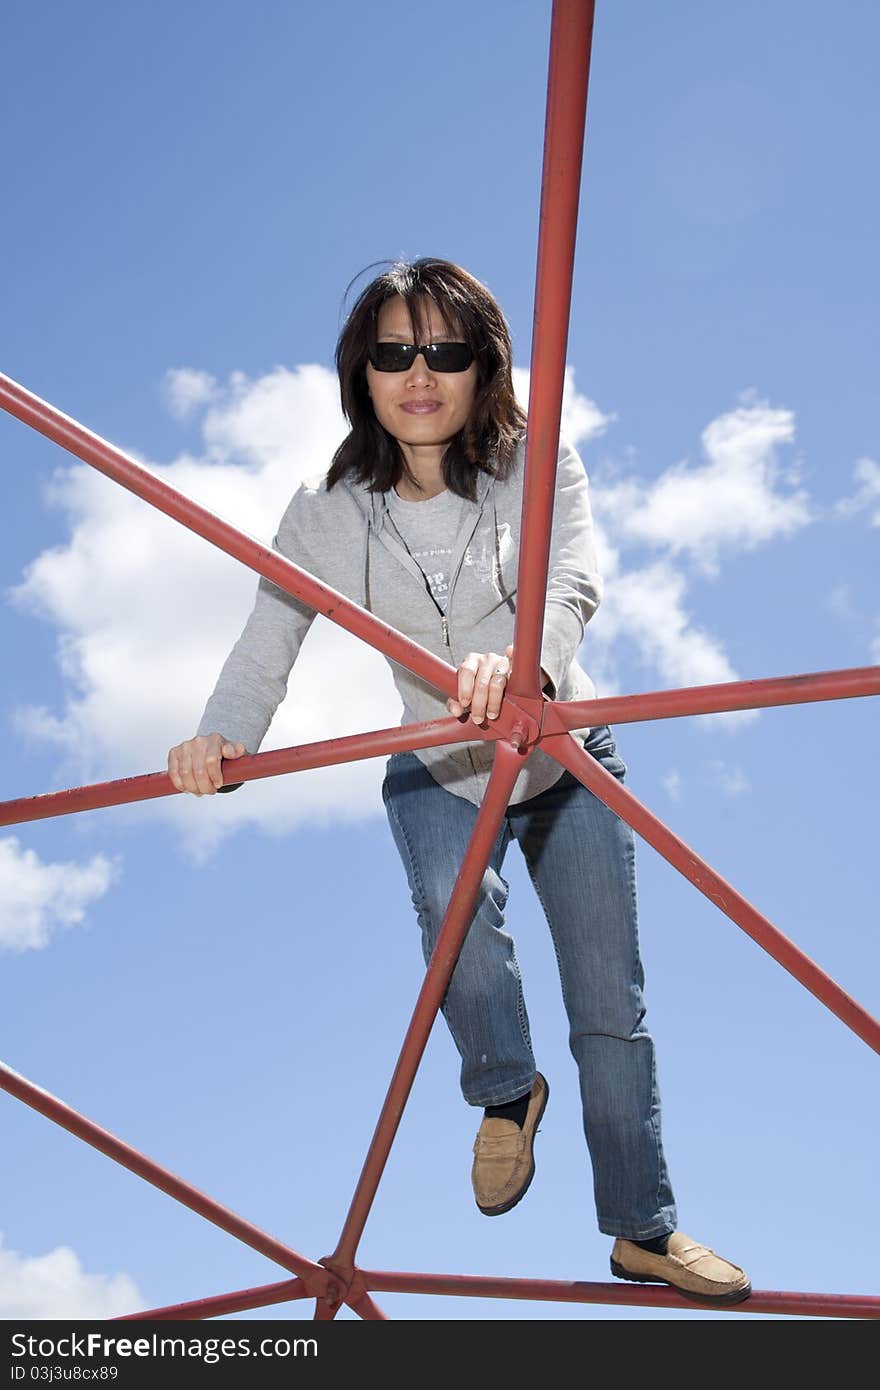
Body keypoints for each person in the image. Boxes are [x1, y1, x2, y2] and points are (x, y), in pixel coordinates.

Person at [167, 257, 750, 1305]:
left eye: (446, 349)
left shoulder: (535, 463)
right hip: (438, 759)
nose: (420, 373)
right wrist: (218, 738)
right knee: (449, 915)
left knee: (608, 1007)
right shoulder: (329, 509)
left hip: (562, 756)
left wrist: (523, 664)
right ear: (362, 372)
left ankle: (641, 1228)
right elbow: (270, 635)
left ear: (486, 366)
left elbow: (571, 577)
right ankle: (502, 1087)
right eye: (394, 351)